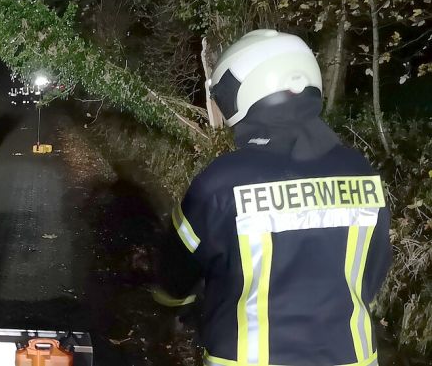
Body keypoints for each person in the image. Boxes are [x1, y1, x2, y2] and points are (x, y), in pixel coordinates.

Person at [153, 29, 391, 366]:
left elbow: (176, 269)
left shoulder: (222, 180)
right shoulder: (362, 171)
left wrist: (173, 304)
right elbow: (374, 268)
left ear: (250, 90)